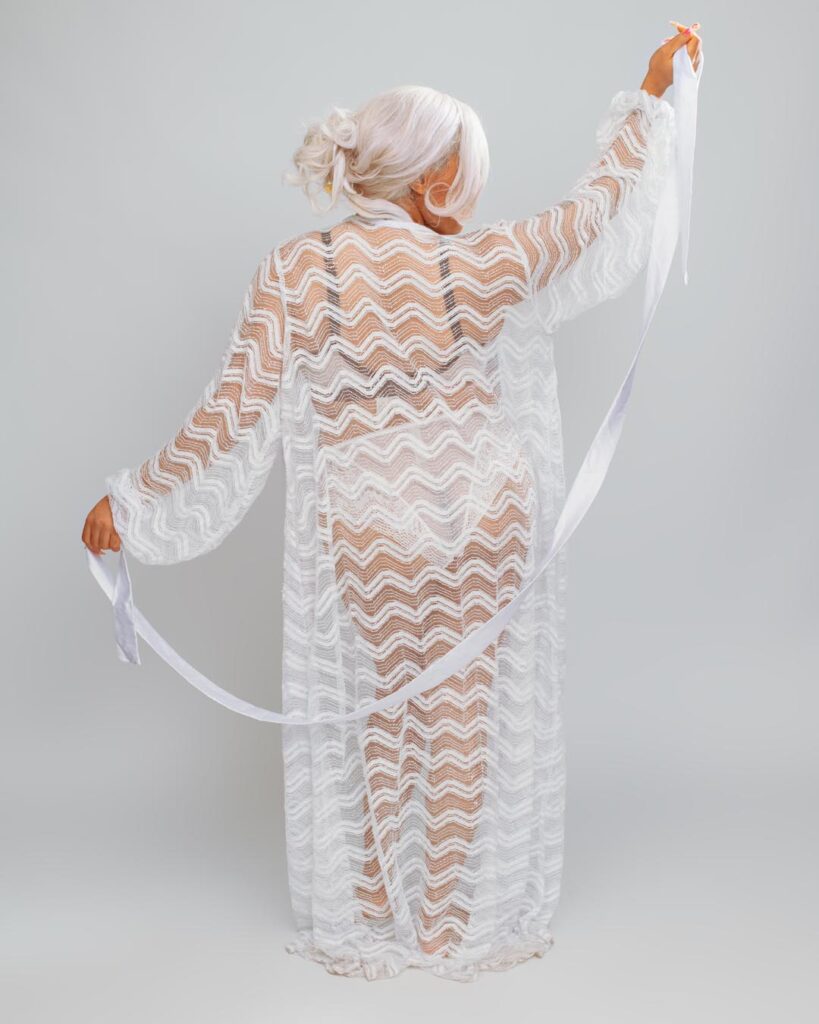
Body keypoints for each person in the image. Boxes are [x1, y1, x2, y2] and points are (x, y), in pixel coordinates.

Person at [82, 23, 703, 981]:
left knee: (381, 706)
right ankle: (444, 919)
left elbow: (229, 413)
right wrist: (650, 97)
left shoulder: (295, 271)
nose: (474, 194)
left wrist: (131, 500)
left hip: (369, 521)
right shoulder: (481, 261)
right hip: (484, 510)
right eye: (466, 176)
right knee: (460, 710)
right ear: (433, 181)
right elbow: (592, 210)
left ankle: (377, 906)